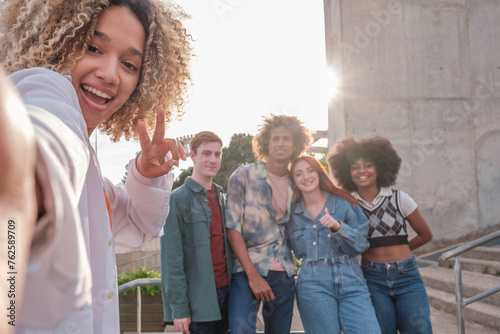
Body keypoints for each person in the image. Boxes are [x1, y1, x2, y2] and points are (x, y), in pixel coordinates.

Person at [0, 0, 192, 333]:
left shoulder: (95, 178)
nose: (109, 74)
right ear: (55, 41)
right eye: (93, 47)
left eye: (130, 64)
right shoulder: (46, 88)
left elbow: (136, 225)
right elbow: (44, 137)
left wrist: (145, 176)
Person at [328, 136, 433, 334]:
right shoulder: (350, 204)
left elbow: (425, 234)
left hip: (407, 277)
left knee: (420, 330)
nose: (361, 171)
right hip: (371, 278)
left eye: (368, 165)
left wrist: (401, 253)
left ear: (380, 167)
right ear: (346, 172)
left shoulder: (399, 198)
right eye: (354, 167)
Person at [225, 114, 312, 334]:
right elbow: (232, 228)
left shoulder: (298, 183)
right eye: (276, 138)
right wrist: (253, 275)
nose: (281, 143)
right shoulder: (244, 175)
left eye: (287, 139)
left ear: (295, 145)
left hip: (284, 273)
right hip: (247, 271)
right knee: (240, 329)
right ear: (267, 143)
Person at [286, 155, 381, 334]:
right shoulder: (291, 213)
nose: (305, 177)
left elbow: (361, 244)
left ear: (319, 172)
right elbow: (284, 246)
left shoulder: (343, 202)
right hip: (312, 284)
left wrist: (338, 227)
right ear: (294, 181)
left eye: (310, 170)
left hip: (351, 279)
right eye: (298, 174)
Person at [161, 131, 233, 334]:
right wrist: (179, 308)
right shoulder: (176, 200)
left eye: (217, 154)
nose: (213, 159)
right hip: (198, 303)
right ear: (193, 156)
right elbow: (171, 261)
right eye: (206, 153)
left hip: (228, 297)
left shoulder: (223, 199)